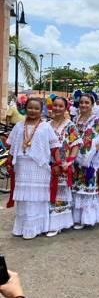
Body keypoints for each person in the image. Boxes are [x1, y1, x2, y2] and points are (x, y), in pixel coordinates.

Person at [9, 97, 61, 239]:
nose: (33, 111)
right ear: (25, 108)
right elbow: (12, 146)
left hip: (40, 167)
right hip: (22, 165)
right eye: (30, 108)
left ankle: (36, 228)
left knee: (36, 198)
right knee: (24, 198)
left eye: (36, 108)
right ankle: (21, 228)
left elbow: (55, 146)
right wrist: (9, 163)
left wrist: (57, 163)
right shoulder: (19, 126)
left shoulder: (46, 127)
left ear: (41, 110)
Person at [46, 97, 81, 237]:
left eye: (61, 106)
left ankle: (58, 224)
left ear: (66, 108)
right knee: (49, 194)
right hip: (49, 165)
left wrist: (69, 162)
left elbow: (76, 145)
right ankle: (49, 222)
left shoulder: (70, 125)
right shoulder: (46, 125)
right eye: (55, 105)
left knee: (60, 194)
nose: (57, 108)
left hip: (64, 165)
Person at [71, 93, 99, 229]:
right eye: (81, 102)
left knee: (87, 186)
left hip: (89, 160)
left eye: (87, 103)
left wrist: (94, 150)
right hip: (75, 159)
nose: (84, 105)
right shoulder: (74, 119)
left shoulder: (96, 120)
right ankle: (76, 218)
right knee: (75, 188)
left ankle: (87, 219)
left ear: (92, 105)